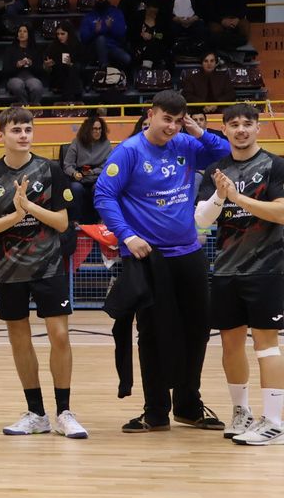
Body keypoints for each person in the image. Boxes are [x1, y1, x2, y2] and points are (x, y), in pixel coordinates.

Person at [93, 90, 229, 433]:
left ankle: (188, 405)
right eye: (166, 119)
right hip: (148, 258)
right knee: (153, 334)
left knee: (197, 329)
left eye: (177, 120)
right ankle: (155, 410)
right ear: (150, 115)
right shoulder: (128, 152)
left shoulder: (185, 143)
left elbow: (224, 152)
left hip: (188, 252)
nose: (171, 126)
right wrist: (127, 235)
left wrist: (195, 129)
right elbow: (103, 195)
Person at [0, 106, 86, 439]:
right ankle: (36, 413)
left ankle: (64, 411)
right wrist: (13, 216)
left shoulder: (50, 170)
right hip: (10, 271)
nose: (23, 135)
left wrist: (30, 207)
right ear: (1, 135)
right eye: (16, 130)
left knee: (60, 336)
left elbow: (62, 222)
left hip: (48, 266)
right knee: (19, 340)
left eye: (28, 130)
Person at [192, 104, 284, 445]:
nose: (241, 129)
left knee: (266, 345)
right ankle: (241, 412)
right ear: (225, 130)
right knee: (230, 344)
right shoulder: (216, 169)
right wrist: (220, 195)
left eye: (248, 123)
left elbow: (280, 212)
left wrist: (237, 197)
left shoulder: (275, 165)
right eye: (234, 124)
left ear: (258, 128)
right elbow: (201, 221)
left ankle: (274, 421)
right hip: (228, 269)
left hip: (267, 268)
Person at [62, 113, 111, 224]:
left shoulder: (106, 144)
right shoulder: (77, 142)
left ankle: (101, 221)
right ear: (88, 130)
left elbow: (107, 167)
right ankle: (75, 221)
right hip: (79, 178)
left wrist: (93, 172)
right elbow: (67, 165)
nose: (97, 132)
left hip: (97, 178)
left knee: (99, 187)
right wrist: (74, 174)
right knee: (76, 188)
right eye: (94, 129)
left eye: (99, 129)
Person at [79, 0, 131, 71]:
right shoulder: (88, 16)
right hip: (94, 50)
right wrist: (95, 32)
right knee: (100, 38)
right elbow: (83, 39)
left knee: (127, 59)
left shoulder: (116, 13)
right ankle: (104, 68)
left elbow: (122, 35)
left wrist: (111, 28)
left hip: (112, 48)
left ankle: (117, 78)